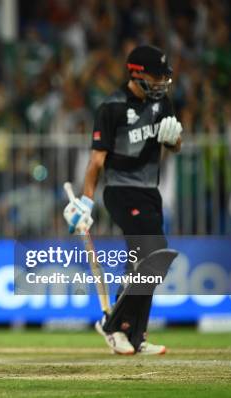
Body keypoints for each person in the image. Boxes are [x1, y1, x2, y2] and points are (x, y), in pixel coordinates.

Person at [64, 45, 182, 355]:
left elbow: (175, 144)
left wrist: (174, 141)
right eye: (156, 78)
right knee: (154, 251)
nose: (160, 84)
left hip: (150, 193)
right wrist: (87, 200)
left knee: (144, 263)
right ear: (136, 74)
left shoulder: (163, 104)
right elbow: (97, 160)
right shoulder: (112, 107)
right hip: (119, 191)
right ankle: (113, 325)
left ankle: (133, 333)